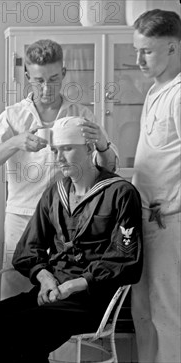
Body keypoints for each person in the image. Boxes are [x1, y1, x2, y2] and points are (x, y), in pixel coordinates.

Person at [0, 116, 143, 363]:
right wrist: (45, 279)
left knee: (17, 335)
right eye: (55, 150)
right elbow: (27, 249)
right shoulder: (56, 192)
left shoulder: (120, 193)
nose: (59, 158)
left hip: (89, 301)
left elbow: (125, 260)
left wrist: (73, 285)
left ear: (89, 148)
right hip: (50, 292)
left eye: (67, 149)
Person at [0, 39, 119, 299]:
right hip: (21, 217)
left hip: (68, 221)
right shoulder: (13, 116)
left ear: (63, 73)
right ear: (28, 76)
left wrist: (102, 143)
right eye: (39, 80)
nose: (46, 87)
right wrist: (15, 142)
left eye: (53, 79)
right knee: (14, 292)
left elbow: (109, 170)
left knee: (61, 294)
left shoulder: (81, 115)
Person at [130, 9, 181, 363]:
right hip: (145, 218)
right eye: (138, 50)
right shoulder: (155, 91)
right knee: (142, 312)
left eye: (146, 51)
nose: (138, 60)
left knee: (168, 313)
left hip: (169, 220)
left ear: (173, 49)